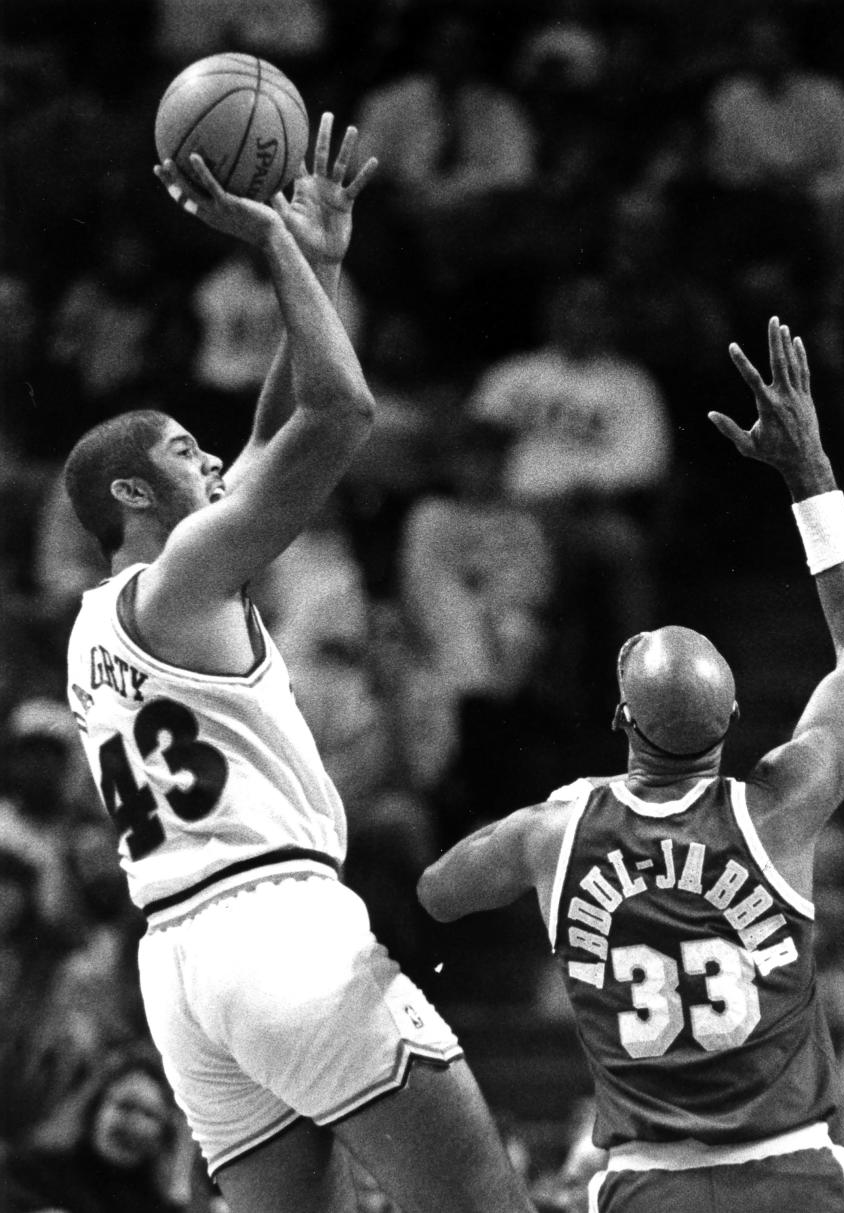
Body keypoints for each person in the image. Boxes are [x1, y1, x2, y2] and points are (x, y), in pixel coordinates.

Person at [61, 114, 534, 1213]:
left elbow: (272, 436)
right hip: (278, 927)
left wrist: (314, 264)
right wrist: (268, 236)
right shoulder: (184, 573)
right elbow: (339, 411)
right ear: (134, 495)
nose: (215, 454)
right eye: (185, 449)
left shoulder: (99, 624)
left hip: (179, 967)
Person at [418, 316, 844, 1212]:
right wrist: (811, 473)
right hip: (797, 1177)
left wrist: (551, 823)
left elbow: (439, 893)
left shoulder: (553, 832)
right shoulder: (781, 807)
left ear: (616, 717)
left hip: (649, 1187)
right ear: (738, 721)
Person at [1, 1046, 187, 1213]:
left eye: (150, 1114)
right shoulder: (32, 1173)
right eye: (125, 1106)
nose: (135, 1124)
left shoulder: (159, 1205)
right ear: (95, 1107)